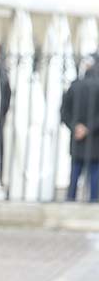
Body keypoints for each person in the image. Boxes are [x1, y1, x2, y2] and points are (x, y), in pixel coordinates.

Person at [61, 54, 99, 202]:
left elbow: (64, 112)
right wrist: (88, 128)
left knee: (75, 174)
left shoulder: (74, 86)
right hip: (95, 140)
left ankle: (70, 200)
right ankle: (94, 202)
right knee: (94, 176)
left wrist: (75, 127)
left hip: (77, 138)